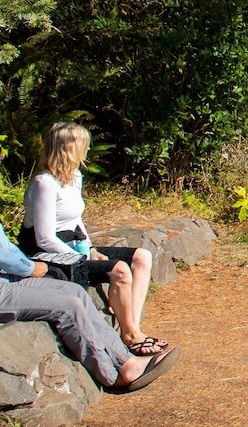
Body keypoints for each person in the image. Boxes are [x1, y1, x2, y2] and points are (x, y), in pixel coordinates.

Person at [0, 129, 177, 392]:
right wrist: (34, 267)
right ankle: (115, 374)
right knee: (66, 304)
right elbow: (1, 253)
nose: (2, 156)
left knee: (73, 292)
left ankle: (126, 362)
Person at [20, 122, 167, 356]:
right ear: (69, 148)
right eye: (84, 145)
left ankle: (132, 325)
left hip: (74, 245)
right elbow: (45, 238)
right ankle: (131, 336)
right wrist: (82, 258)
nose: (88, 150)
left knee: (142, 257)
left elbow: (76, 220)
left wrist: (89, 247)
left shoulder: (74, 176)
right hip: (47, 253)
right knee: (120, 270)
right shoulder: (44, 183)